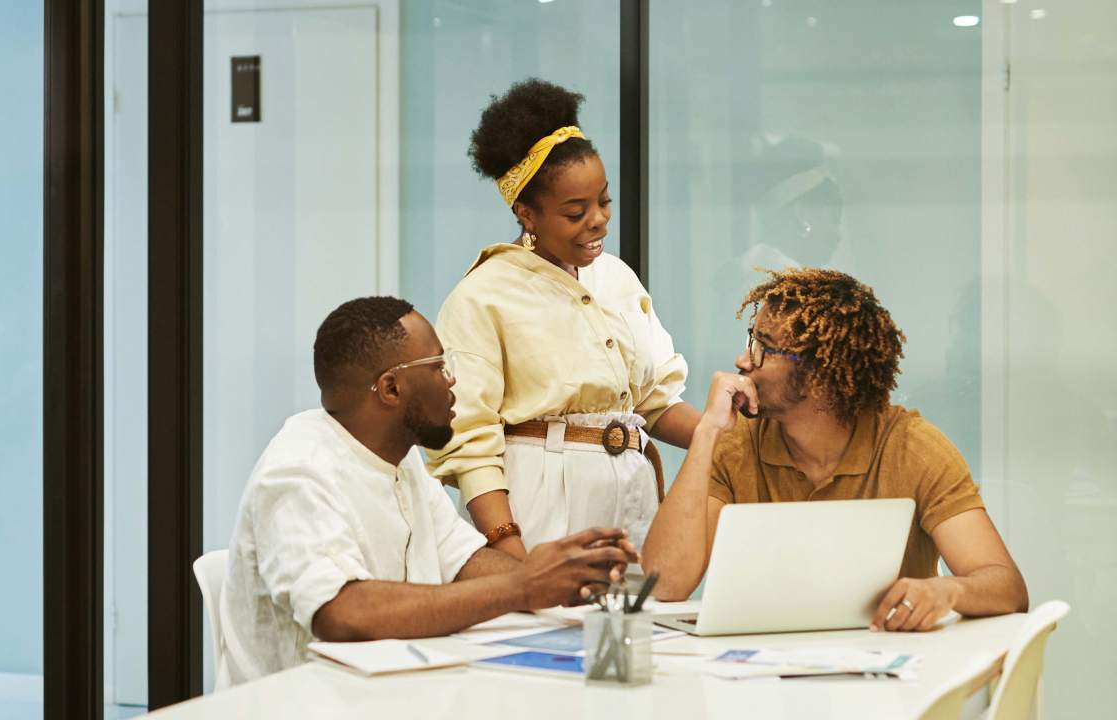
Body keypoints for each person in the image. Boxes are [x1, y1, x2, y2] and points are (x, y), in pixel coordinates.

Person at [219, 296, 638, 683]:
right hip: (309, 703)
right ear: (391, 388)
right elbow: (342, 613)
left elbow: (465, 561)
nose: (452, 380)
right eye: (438, 366)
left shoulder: (401, 459)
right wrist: (525, 586)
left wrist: (562, 577)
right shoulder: (299, 471)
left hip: (393, 690)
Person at [642, 269, 1029, 632]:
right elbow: (665, 584)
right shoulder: (736, 441)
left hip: (886, 670)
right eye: (750, 341)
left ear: (820, 377)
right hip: (761, 669)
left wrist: (948, 592)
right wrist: (706, 431)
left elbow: (1006, 587)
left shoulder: (913, 448)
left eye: (764, 348)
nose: (742, 361)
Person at [426, 78, 702, 559]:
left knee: (637, 610)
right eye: (575, 212)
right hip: (538, 512)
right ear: (526, 214)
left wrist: (735, 439)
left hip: (634, 504)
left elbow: (655, 402)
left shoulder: (616, 277)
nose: (598, 219)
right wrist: (511, 553)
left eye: (604, 201)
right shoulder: (482, 297)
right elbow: (470, 448)